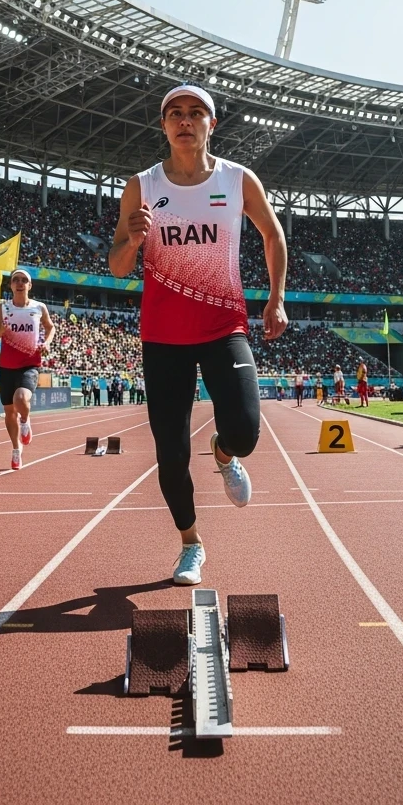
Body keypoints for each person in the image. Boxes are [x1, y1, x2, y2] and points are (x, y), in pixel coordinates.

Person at [108, 84, 288, 586]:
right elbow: (119, 265)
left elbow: (272, 234)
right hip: (164, 336)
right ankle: (191, 543)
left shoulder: (237, 179)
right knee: (171, 456)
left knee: (246, 431)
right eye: (175, 114)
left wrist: (276, 299)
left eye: (195, 113)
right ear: (164, 126)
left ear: (212, 124)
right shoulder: (141, 187)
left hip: (222, 325)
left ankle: (225, 453)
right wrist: (136, 240)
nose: (185, 121)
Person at [0, 269, 55, 469]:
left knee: (21, 399)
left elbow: (50, 327)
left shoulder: (39, 307)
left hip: (30, 363)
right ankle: (16, 450)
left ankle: (25, 420)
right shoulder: (2, 309)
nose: (19, 283)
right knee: (8, 413)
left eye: (24, 280)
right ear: (10, 285)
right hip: (6, 366)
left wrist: (47, 342)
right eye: (15, 280)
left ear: (29, 285)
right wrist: (2, 329)